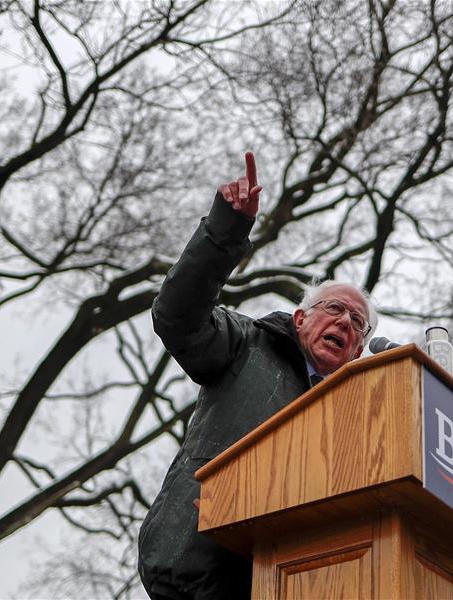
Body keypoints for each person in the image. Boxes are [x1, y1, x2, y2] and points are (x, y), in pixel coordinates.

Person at [137, 152, 377, 599]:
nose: (345, 322)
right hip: (196, 563)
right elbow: (177, 316)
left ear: (359, 350)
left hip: (291, 581)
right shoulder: (247, 344)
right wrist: (225, 229)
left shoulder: (355, 418)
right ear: (301, 318)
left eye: (357, 322)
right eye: (335, 309)